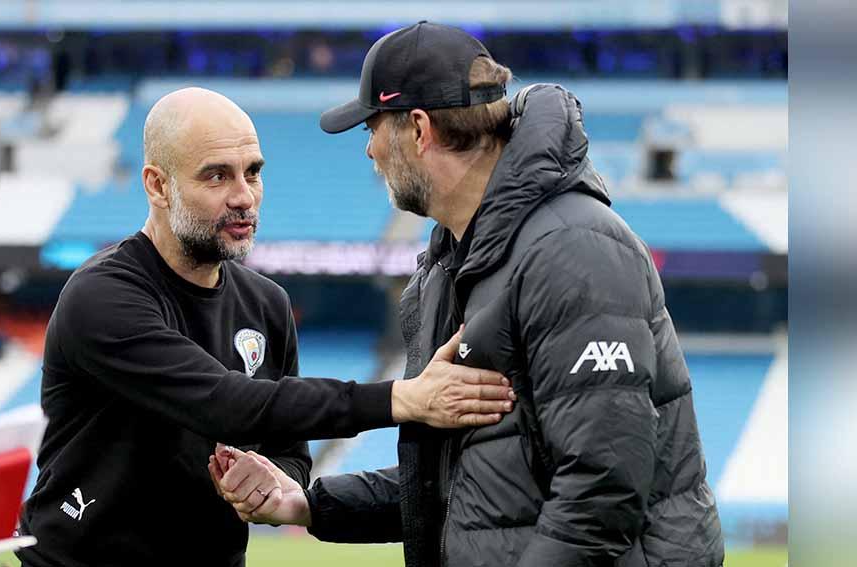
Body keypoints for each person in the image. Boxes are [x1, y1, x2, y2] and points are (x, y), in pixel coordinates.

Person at [210, 22, 724, 567]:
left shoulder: (572, 248)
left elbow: (601, 492)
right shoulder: (454, 262)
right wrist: (309, 505)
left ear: (418, 129)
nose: (370, 151)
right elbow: (460, 485)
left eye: (372, 128)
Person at [14, 87, 514, 567]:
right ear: (158, 185)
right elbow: (225, 403)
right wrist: (402, 398)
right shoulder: (103, 296)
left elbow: (289, 451)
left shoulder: (267, 303)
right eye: (216, 176)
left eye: (252, 173)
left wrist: (274, 481)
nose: (243, 196)